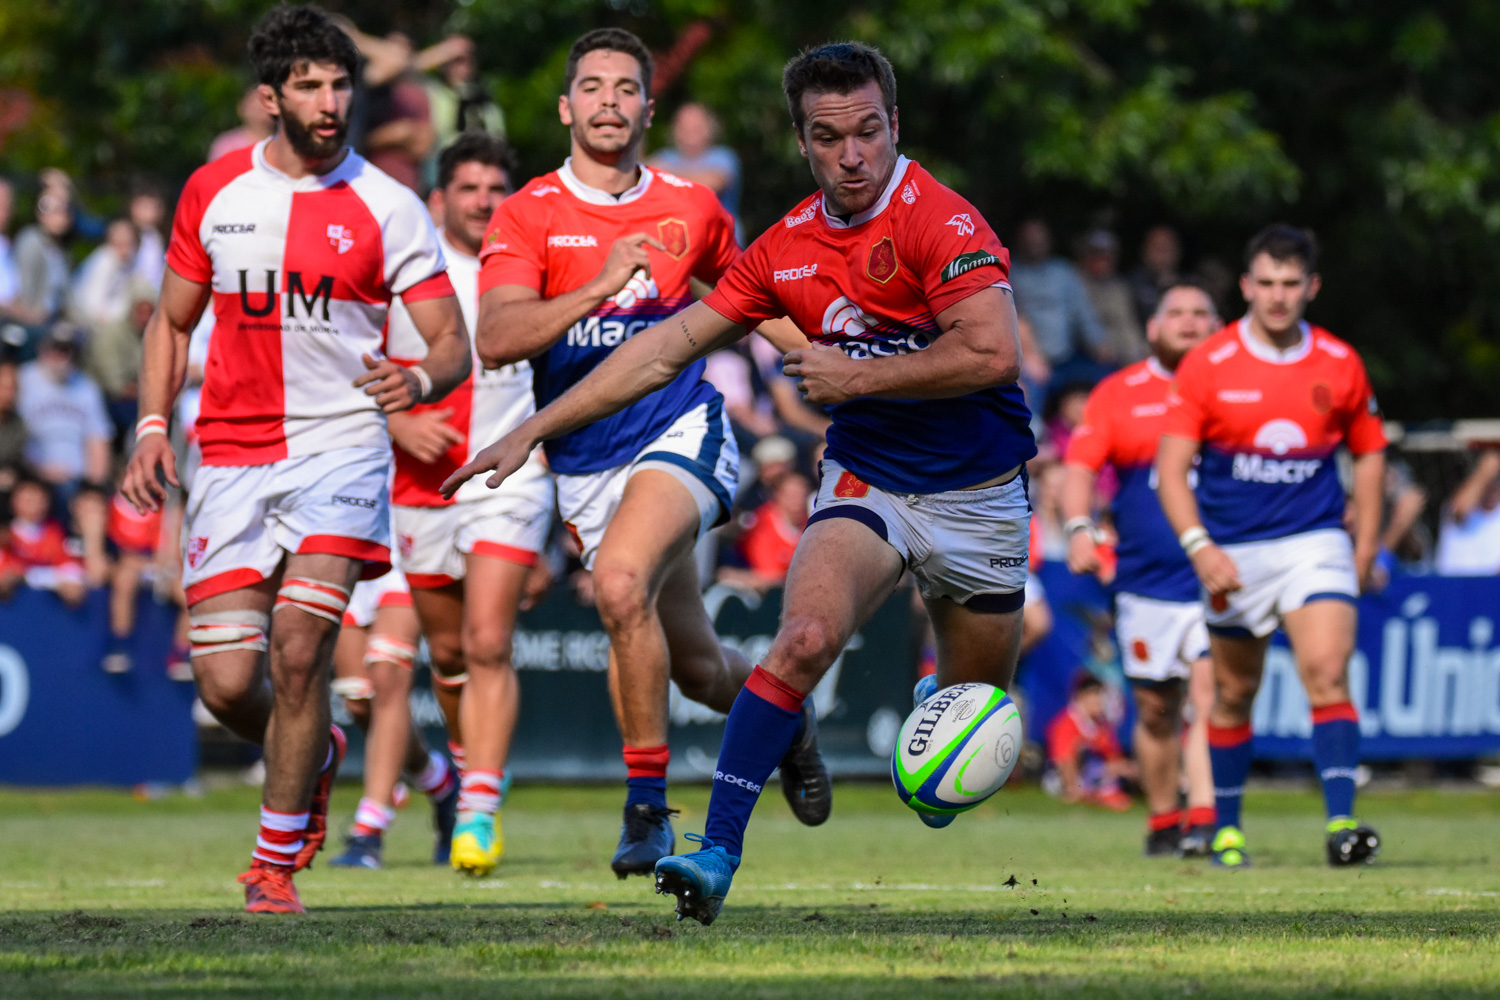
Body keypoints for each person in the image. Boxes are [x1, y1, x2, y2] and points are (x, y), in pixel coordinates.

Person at [444, 40, 1035, 925]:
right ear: (804, 141)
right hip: (868, 480)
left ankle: (927, 707)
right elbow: (663, 349)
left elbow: (992, 353)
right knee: (799, 640)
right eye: (830, 137)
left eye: (869, 132)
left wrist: (856, 377)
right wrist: (531, 427)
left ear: (894, 127)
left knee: (950, 764)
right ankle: (715, 852)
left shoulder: (941, 220)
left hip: (979, 495)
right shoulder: (786, 248)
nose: (853, 155)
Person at [119, 4, 471, 915]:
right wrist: (153, 426)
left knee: (303, 646)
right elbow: (171, 319)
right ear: (269, 97)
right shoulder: (214, 192)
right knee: (231, 683)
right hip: (231, 452)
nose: (329, 100)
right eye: (308, 85)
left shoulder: (390, 205)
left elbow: (450, 344)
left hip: (342, 448)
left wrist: (419, 382)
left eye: (340, 82)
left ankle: (272, 870)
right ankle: (314, 753)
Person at [466, 28, 829, 881]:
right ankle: (794, 723)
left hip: (682, 431)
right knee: (701, 668)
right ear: (565, 107)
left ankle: (644, 809)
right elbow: (496, 337)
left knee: (619, 581)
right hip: (587, 464)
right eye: (591, 87)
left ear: (648, 108)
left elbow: (752, 301)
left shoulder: (693, 205)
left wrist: (827, 357)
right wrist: (595, 286)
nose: (608, 103)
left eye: (626, 89)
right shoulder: (529, 213)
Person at [1156, 224, 1385, 869]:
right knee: (1233, 693)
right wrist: (1200, 547)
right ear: (1247, 286)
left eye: (1291, 283)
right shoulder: (1209, 364)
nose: (1279, 296)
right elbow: (1172, 469)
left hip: (1315, 542)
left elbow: (1369, 456)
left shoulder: (1340, 364)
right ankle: (1227, 828)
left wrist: (1362, 548)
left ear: (1311, 287)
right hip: (1233, 551)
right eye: (1267, 283)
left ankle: (1343, 823)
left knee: (1327, 670)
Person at [386, 133, 555, 877]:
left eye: (496, 188)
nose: (484, 201)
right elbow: (348, 372)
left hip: (507, 480)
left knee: (488, 643)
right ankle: (473, 767)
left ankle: (478, 812)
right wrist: (398, 420)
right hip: (418, 488)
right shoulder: (408, 278)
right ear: (440, 199)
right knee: (447, 657)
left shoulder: (532, 272)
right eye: (469, 188)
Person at [1062, 283, 1220, 857]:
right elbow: (1079, 468)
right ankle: (1164, 820)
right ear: (1152, 328)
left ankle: (1206, 822)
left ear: (1219, 326)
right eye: (1176, 312)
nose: (1188, 321)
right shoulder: (1118, 394)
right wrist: (1080, 529)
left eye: (1201, 312)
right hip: (1146, 583)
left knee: (1212, 696)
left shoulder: (1237, 390)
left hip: (1219, 579)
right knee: (1157, 710)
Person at [328, 566, 459, 870]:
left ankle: (369, 832)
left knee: (387, 673)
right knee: (359, 700)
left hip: (401, 547)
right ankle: (439, 780)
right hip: (347, 544)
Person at [17, 324, 112, 496]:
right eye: (55, 349)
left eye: (65, 351)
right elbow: (12, 432)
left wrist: (94, 488)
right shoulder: (24, 379)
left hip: (76, 479)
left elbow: (98, 439)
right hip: (32, 475)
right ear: (43, 349)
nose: (59, 356)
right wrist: (36, 470)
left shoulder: (86, 387)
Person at [1008, 218, 1108, 376]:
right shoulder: (1010, 273)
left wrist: (1098, 342)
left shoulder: (1063, 271)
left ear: (1048, 240)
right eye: (1030, 238)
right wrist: (1029, 355)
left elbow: (1081, 310)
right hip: (1027, 359)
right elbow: (1012, 318)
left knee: (1105, 374)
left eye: (1039, 237)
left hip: (1067, 358)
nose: (1035, 242)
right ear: (1020, 241)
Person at [1045, 672, 1133, 811]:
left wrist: (1125, 769)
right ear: (1082, 697)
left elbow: (1114, 755)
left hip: (1096, 776)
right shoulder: (1066, 724)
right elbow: (1063, 759)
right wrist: (1072, 789)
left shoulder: (1101, 724)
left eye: (1101, 695)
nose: (1100, 700)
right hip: (1065, 779)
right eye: (1095, 695)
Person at [649, 103, 742, 223]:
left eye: (697, 126)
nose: (690, 131)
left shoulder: (724, 157)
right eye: (684, 126)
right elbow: (641, 179)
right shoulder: (664, 156)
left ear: (710, 128)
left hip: (721, 238)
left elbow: (710, 185)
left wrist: (662, 174)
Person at [1078, 229, 1146, 364]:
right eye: (1097, 253)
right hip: (1091, 355)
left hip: (1125, 353)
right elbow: (1082, 325)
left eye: (1108, 254)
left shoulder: (1121, 287)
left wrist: (1141, 350)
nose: (1103, 259)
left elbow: (1129, 324)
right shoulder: (1076, 284)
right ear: (1086, 256)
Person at [1434, 449, 1500, 575]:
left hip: (1493, 588)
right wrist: (1486, 470)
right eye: (1489, 482)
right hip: (1454, 586)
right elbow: (1460, 510)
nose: (1493, 486)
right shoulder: (1459, 504)